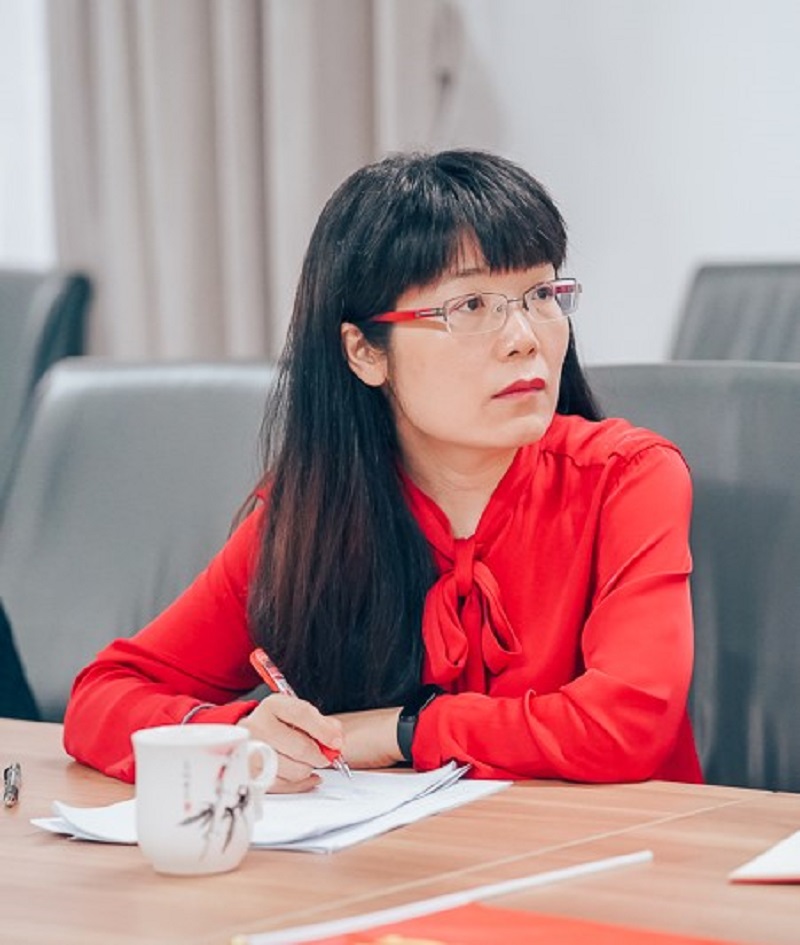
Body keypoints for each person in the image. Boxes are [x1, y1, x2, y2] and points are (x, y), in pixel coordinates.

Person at [64, 149, 702, 791]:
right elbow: (105, 697)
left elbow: (625, 724)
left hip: (619, 848)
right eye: (471, 306)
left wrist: (399, 732)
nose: (524, 337)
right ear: (365, 352)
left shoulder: (628, 477)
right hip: (407, 852)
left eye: (540, 294)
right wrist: (239, 736)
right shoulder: (313, 516)